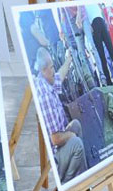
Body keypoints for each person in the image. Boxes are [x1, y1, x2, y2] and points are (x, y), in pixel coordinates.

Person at [33, 47, 87, 183]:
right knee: (76, 142)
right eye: (52, 67)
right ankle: (67, 181)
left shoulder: (47, 81)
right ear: (44, 70)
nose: (54, 70)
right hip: (56, 154)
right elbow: (55, 139)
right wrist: (71, 136)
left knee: (75, 125)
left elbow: (60, 76)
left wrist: (68, 59)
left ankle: (83, 174)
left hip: (59, 144)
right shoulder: (45, 96)